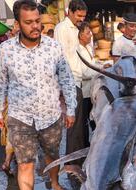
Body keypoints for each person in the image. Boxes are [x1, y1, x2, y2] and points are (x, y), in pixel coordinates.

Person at [0, 0, 77, 190]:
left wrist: (70, 109)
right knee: (25, 164)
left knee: (52, 155)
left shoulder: (54, 48)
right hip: (20, 118)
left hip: (50, 115)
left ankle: (55, 182)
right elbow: (0, 82)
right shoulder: (6, 50)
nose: (35, 26)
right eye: (28, 22)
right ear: (18, 24)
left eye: (37, 21)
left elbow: (67, 80)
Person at [54, 0, 88, 154]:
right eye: (79, 15)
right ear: (71, 12)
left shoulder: (76, 29)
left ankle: (78, 158)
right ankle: (71, 161)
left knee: (80, 123)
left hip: (78, 80)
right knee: (73, 123)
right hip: (70, 81)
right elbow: (61, 59)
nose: (81, 19)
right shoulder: (62, 28)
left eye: (83, 16)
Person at [77, 21, 97, 143]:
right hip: (84, 92)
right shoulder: (78, 50)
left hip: (92, 90)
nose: (90, 35)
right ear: (80, 35)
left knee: (94, 118)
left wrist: (101, 66)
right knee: (84, 121)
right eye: (88, 33)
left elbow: (92, 65)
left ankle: (96, 142)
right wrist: (100, 71)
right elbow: (84, 73)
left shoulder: (88, 48)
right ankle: (85, 146)